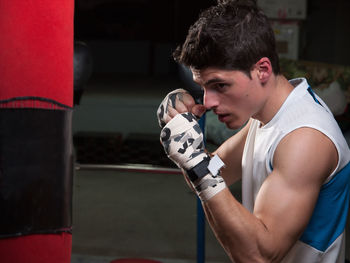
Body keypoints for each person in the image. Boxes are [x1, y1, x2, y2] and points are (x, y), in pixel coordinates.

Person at [156, 0, 350, 262]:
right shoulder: (265, 116)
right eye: (203, 87)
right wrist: (184, 134)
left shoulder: (304, 138)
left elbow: (259, 257)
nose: (209, 102)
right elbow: (212, 174)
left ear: (262, 70)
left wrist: (197, 165)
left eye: (220, 86)